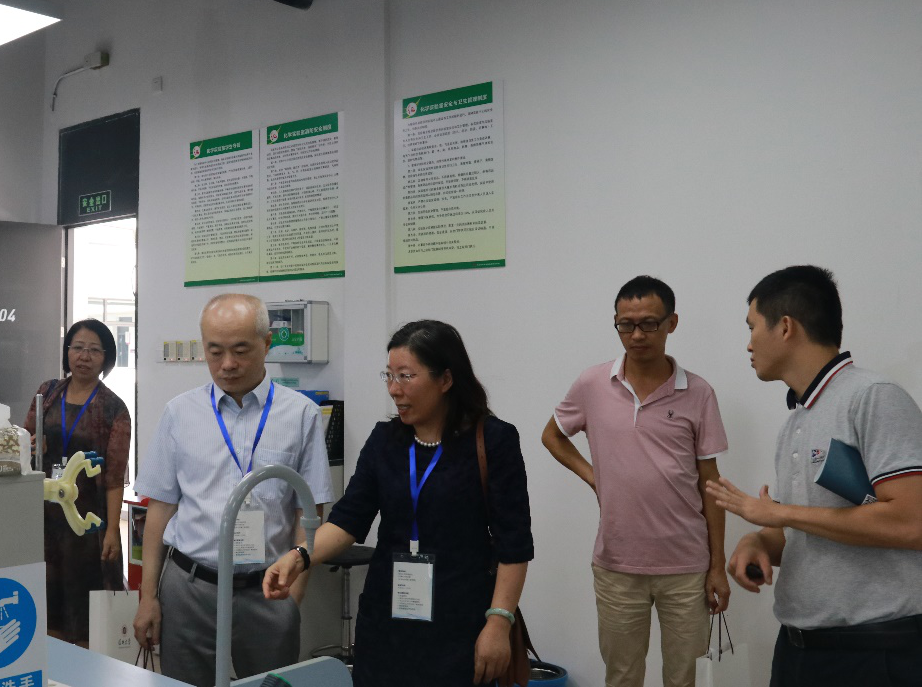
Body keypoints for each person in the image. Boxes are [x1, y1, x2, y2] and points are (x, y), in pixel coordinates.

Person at [263, 319, 533, 687]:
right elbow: (347, 521)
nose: (393, 389)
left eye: (405, 376)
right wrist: (299, 556)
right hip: (387, 621)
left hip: (461, 621)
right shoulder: (385, 440)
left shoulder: (494, 441)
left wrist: (499, 622)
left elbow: (513, 543)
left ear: (446, 379)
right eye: (389, 376)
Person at [706, 266, 922, 687]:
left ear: (785, 327)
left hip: (873, 653)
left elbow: (912, 522)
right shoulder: (795, 422)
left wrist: (780, 514)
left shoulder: (873, 397)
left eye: (752, 327)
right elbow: (804, 529)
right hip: (798, 650)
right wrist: (759, 542)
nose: (748, 343)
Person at [132, 294, 333, 687]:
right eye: (215, 351)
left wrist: (294, 598)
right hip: (190, 588)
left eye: (240, 351)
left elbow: (309, 514)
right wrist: (148, 597)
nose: (227, 364)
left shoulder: (300, 414)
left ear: (267, 343)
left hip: (268, 590)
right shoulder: (179, 413)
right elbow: (159, 510)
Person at [541, 276, 730, 687]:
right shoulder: (593, 384)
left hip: (686, 566)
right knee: (622, 677)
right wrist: (594, 477)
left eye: (649, 324)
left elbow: (710, 484)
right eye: (626, 325)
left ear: (672, 323)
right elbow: (552, 435)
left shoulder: (698, 393)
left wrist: (718, 566)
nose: (637, 335)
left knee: (684, 679)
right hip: (617, 564)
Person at [23, 318, 131, 646]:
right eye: (78, 348)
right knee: (47, 604)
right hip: (45, 519)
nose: (84, 356)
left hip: (88, 523)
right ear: (67, 352)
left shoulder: (113, 408)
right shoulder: (47, 393)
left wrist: (112, 531)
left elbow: (115, 477)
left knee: (87, 614)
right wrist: (30, 445)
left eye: (94, 350)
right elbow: (22, 439)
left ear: (106, 357)